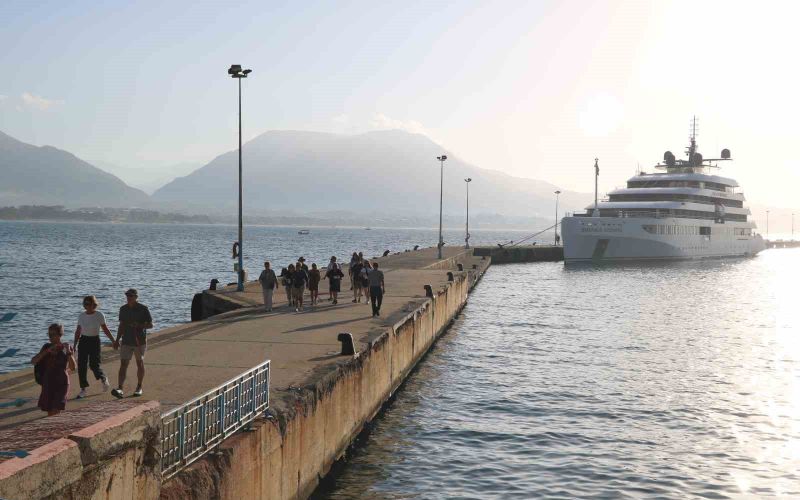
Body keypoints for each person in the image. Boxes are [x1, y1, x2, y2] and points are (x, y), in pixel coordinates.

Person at [111, 289, 152, 399]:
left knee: (140, 363)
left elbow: (150, 325)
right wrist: (116, 340)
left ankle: (139, 387)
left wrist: (139, 325)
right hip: (126, 341)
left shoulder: (143, 309)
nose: (128, 297)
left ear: (136, 297)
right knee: (123, 364)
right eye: (127, 295)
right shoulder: (123, 309)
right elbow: (121, 325)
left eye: (131, 296)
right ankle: (120, 388)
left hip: (139, 341)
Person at [74, 295, 115, 399]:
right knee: (81, 366)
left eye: (89, 304)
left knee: (94, 365)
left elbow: (105, 329)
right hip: (83, 341)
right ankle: (83, 389)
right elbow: (78, 331)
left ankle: (103, 378)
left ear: (94, 304)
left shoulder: (99, 315)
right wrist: (74, 345)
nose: (87, 306)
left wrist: (113, 340)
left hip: (94, 341)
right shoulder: (81, 316)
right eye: (85, 304)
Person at [32, 323, 76, 416]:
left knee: (56, 410)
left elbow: (73, 367)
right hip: (48, 382)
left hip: (62, 382)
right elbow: (34, 361)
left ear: (60, 335)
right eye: (49, 335)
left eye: (53, 335)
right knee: (50, 412)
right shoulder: (46, 347)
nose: (50, 337)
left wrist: (68, 351)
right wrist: (47, 351)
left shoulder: (65, 348)